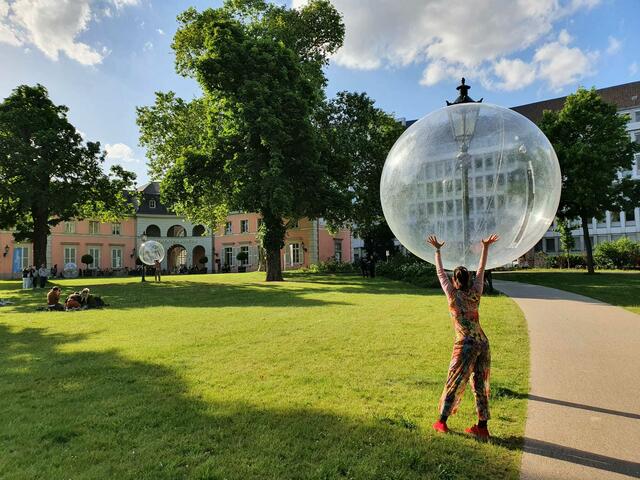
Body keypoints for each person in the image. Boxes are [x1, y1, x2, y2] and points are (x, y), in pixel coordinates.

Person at [427, 233, 499, 440]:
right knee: (480, 384)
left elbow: (440, 272)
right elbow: (482, 269)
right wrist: (485, 248)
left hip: (465, 344)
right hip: (482, 343)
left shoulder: (452, 294)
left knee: (454, 381)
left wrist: (438, 250)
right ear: (469, 280)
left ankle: (442, 422)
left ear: (454, 280)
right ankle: (482, 427)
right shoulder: (476, 291)